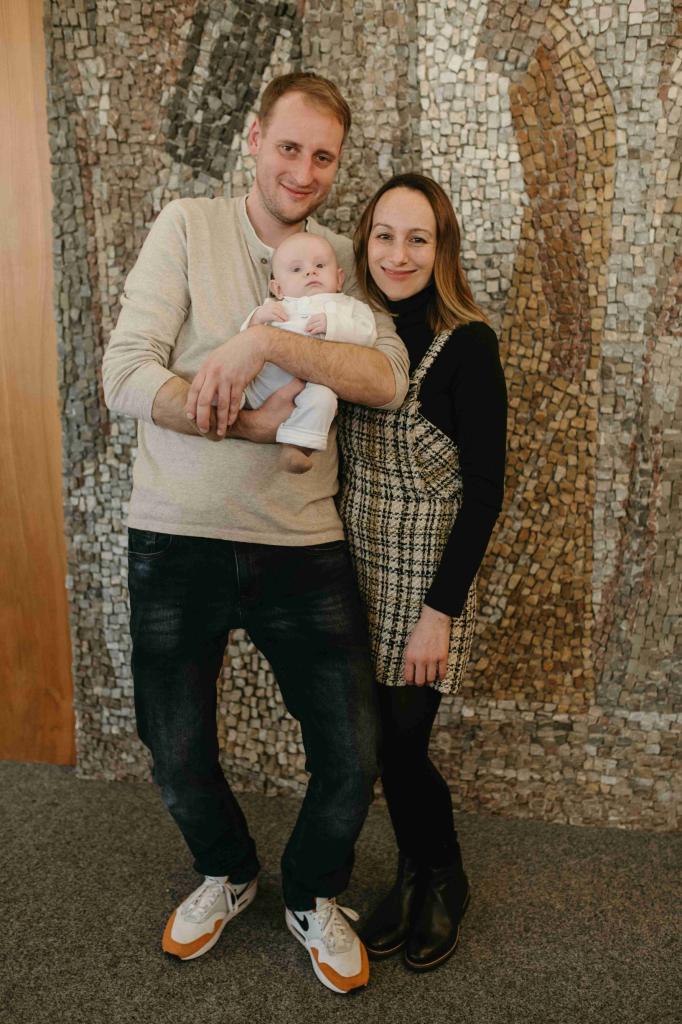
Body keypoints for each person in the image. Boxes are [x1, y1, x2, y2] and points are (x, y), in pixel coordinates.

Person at [102, 72, 409, 995]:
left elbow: (386, 375)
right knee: (174, 747)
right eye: (289, 147)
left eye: (324, 157)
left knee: (353, 751)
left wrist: (265, 343)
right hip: (175, 534)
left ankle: (311, 892)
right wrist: (254, 425)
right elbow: (126, 376)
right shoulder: (187, 227)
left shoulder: (336, 258)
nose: (304, 172)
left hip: (302, 542)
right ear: (252, 138)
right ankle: (228, 871)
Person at [337, 173, 507, 971]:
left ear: (442, 250)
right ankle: (411, 876)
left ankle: (444, 875)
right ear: (364, 242)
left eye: (418, 238)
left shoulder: (467, 345)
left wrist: (440, 612)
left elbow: (485, 491)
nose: (398, 254)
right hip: (351, 566)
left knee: (404, 745)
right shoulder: (350, 332)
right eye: (384, 236)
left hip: (422, 586)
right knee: (374, 746)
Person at [241, 232, 377, 473]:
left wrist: (334, 325)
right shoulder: (275, 307)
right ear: (277, 288)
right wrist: (256, 318)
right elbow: (243, 344)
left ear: (339, 279)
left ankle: (296, 447)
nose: (310, 272)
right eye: (297, 269)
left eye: (320, 266)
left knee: (325, 400)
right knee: (233, 378)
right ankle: (222, 406)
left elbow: (367, 334)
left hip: (311, 386)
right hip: (260, 383)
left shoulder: (348, 307)